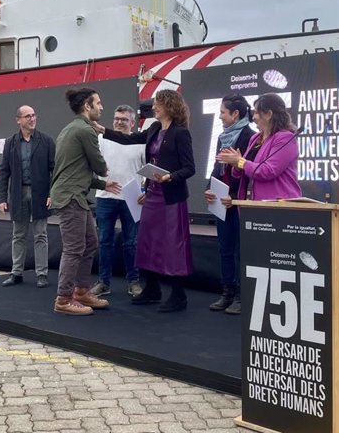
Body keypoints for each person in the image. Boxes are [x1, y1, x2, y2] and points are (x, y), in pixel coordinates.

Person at [96, 89, 195, 313]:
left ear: (169, 105)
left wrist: (171, 176)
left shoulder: (181, 133)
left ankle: (179, 295)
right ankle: (152, 289)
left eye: (158, 103)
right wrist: (103, 130)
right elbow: (130, 139)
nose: (154, 107)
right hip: (153, 195)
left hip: (172, 197)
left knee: (172, 245)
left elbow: (190, 168)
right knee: (148, 242)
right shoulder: (154, 128)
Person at [51, 88, 121, 315]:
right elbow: (99, 166)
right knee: (74, 249)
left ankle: (81, 291)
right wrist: (105, 171)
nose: (102, 107)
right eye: (98, 103)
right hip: (71, 197)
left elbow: (75, 170)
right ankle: (63, 299)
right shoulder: (86, 130)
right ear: (86, 107)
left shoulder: (71, 128)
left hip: (74, 196)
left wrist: (103, 185)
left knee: (90, 243)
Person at [204, 94, 255, 315]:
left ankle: (242, 297)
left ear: (235, 114)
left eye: (223, 112)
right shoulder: (223, 137)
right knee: (224, 248)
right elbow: (217, 166)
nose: (220, 116)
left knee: (241, 250)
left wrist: (233, 195)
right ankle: (227, 292)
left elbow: (248, 173)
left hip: (237, 200)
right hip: (219, 199)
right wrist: (209, 187)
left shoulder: (251, 137)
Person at [0, 105, 56, 288]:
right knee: (18, 235)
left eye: (33, 115)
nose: (32, 119)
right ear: (19, 120)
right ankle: (16, 273)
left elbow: (55, 169)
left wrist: (52, 193)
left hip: (40, 193)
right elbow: (4, 171)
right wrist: (1, 198)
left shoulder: (46, 141)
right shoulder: (10, 142)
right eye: (28, 116)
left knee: (41, 235)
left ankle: (42, 274)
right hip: (18, 193)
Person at [90, 104, 145, 298]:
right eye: (116, 118)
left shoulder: (141, 143)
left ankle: (134, 281)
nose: (119, 122)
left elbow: (147, 169)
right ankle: (103, 282)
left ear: (132, 122)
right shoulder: (101, 139)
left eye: (123, 119)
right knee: (105, 241)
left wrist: (145, 190)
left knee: (132, 243)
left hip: (132, 198)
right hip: (105, 197)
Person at [217, 92, 302, 202]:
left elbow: (268, 171)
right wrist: (236, 165)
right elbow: (246, 171)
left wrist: (240, 162)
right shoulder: (255, 138)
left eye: (257, 112)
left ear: (268, 114)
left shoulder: (285, 138)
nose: (253, 117)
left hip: (280, 205)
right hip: (256, 204)